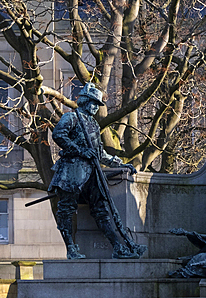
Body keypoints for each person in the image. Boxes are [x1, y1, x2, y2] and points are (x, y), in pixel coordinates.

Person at [50, 83, 146, 260]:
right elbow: (58, 135)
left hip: (92, 175)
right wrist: (79, 150)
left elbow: (99, 152)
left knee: (101, 210)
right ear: (85, 101)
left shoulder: (93, 123)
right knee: (66, 211)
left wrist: (120, 163)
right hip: (71, 173)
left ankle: (117, 247)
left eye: (98, 104)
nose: (96, 107)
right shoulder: (71, 118)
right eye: (93, 103)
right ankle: (71, 249)